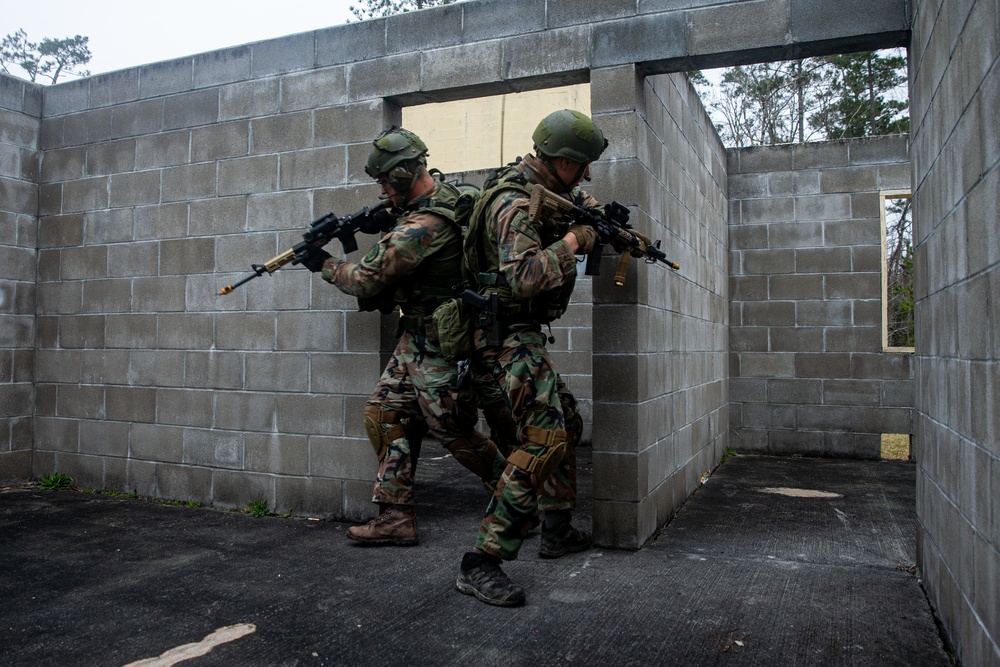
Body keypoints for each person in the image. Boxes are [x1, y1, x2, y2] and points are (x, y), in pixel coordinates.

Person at [299, 126, 507, 546]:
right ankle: (396, 516)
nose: (380, 189)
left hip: (440, 342)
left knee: (452, 431)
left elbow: (364, 281)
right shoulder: (440, 199)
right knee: (383, 414)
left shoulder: (422, 224)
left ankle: (516, 496)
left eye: (383, 181)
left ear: (400, 174)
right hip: (415, 337)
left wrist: (323, 262)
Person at [455, 110, 607, 606]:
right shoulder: (513, 203)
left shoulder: (544, 186)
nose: (585, 175)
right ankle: (482, 560)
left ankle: (557, 528)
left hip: (520, 334)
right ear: (560, 161)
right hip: (500, 335)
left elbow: (581, 202)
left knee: (567, 422)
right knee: (543, 441)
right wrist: (572, 242)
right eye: (581, 166)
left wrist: (594, 217)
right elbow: (522, 277)